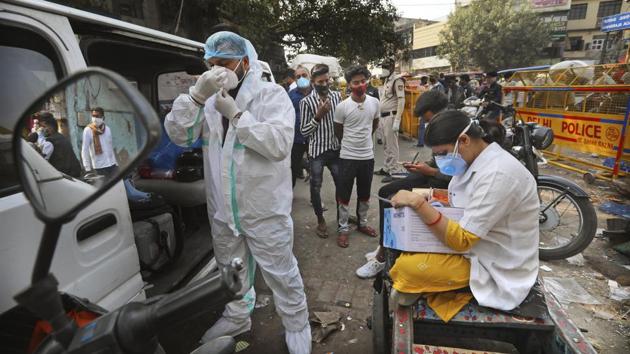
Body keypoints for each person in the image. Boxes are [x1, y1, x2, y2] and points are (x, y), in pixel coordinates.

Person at [164, 31, 311, 353]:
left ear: (245, 62)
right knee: (231, 269)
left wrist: (238, 117)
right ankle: (237, 316)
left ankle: (297, 323)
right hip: (223, 209)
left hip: (264, 206)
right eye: (212, 64)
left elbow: (278, 145)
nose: (218, 70)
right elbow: (179, 134)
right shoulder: (208, 100)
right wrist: (196, 97)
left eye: (225, 63)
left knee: (281, 272)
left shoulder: (271, 95)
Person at [387, 110, 539, 322]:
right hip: (476, 243)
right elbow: (460, 199)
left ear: (464, 140)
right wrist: (431, 201)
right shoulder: (475, 161)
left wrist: (419, 203)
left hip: (493, 262)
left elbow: (462, 240)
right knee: (404, 250)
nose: (439, 160)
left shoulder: (498, 174)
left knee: (406, 269)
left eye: (443, 153)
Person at [356, 91, 450, 278]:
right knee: (385, 191)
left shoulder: (453, 131)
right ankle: (384, 244)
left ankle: (383, 256)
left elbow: (457, 177)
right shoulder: (441, 126)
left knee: (393, 199)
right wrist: (422, 167)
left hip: (444, 184)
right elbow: (438, 161)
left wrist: (430, 171)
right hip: (433, 175)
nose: (426, 123)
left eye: (427, 118)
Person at [333, 65, 380, 248]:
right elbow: (339, 132)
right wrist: (351, 143)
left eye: (362, 81)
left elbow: (374, 124)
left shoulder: (375, 102)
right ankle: (343, 229)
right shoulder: (342, 107)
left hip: (367, 157)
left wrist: (364, 141)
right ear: (349, 84)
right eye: (355, 82)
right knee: (344, 195)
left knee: (365, 194)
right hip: (347, 157)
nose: (360, 85)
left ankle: (362, 223)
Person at [300, 63, 342, 238]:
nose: (324, 84)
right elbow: (304, 131)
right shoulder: (306, 102)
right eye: (320, 81)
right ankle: (320, 220)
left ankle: (343, 219)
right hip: (317, 151)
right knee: (315, 187)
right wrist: (318, 116)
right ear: (313, 82)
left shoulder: (338, 97)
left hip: (335, 149)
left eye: (327, 80)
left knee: (342, 184)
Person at [375, 58, 405, 183]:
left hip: (391, 117)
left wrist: (397, 119)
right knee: (387, 145)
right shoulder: (387, 80)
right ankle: (387, 168)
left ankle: (394, 171)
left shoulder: (397, 80)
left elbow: (401, 100)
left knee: (392, 145)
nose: (384, 69)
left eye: (386, 67)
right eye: (383, 67)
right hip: (383, 117)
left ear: (392, 67)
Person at [37, 111, 81, 178]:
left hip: (64, 177)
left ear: (50, 127)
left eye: (44, 126)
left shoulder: (49, 142)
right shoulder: (62, 137)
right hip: (75, 173)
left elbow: (43, 163)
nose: (42, 129)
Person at [288, 66, 311, 187]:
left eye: (304, 75)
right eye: (298, 77)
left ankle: (316, 200)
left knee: (316, 171)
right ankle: (289, 196)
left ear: (309, 76)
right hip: (296, 138)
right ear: (295, 80)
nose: (301, 78)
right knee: (292, 168)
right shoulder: (291, 94)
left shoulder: (317, 92)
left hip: (313, 138)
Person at [81, 107, 118, 178]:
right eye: (93, 116)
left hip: (112, 165)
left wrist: (116, 163)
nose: (94, 119)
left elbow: (110, 147)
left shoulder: (107, 129)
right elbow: (84, 150)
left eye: (97, 116)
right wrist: (87, 168)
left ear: (103, 118)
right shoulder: (88, 130)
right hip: (99, 167)